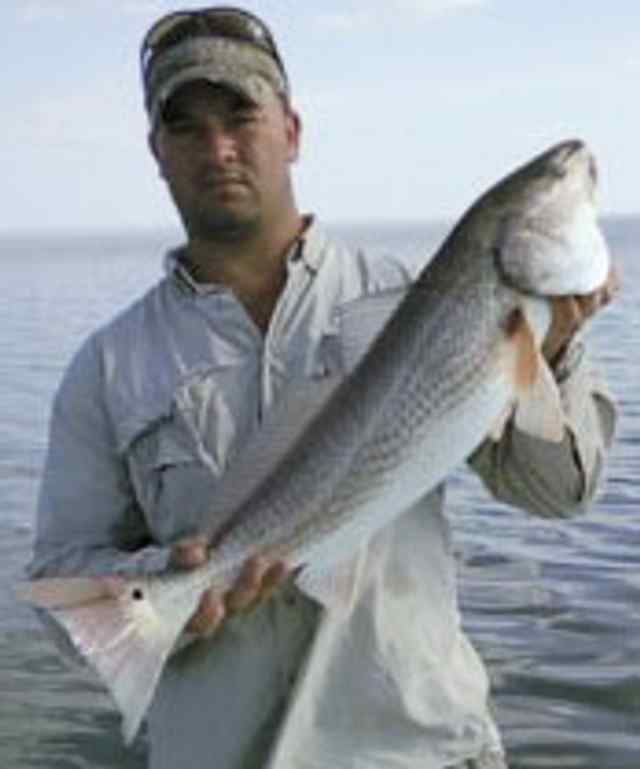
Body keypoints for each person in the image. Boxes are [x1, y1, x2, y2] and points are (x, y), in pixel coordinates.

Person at [28, 7, 618, 769]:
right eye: (186, 126)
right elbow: (64, 599)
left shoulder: (412, 302)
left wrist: (555, 347)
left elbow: (558, 494)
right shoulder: (106, 368)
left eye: (241, 113)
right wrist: (172, 591)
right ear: (157, 152)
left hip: (422, 751)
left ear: (292, 129)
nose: (219, 147)